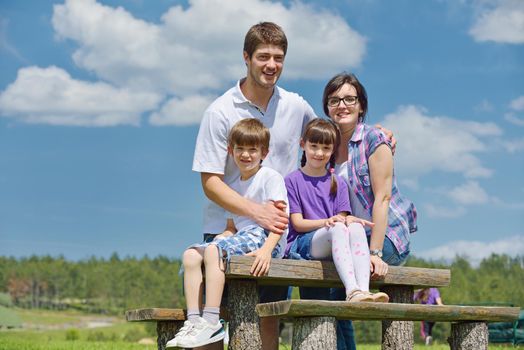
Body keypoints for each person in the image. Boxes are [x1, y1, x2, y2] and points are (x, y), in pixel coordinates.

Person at [189, 21, 395, 350]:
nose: (271, 65)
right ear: (246, 57)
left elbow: (327, 136)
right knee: (221, 319)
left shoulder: (295, 106)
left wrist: (375, 134)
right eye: (263, 56)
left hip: (278, 236)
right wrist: (257, 211)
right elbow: (210, 182)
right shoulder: (220, 112)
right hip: (227, 229)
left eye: (278, 57)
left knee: (267, 320)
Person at [167, 119, 288, 348]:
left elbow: (281, 222)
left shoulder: (270, 177)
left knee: (214, 251)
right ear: (231, 151)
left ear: (264, 152)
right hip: (243, 237)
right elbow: (232, 227)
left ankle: (212, 321)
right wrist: (223, 236)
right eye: (240, 149)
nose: (246, 155)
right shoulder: (232, 185)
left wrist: (266, 251)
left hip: (266, 238)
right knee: (191, 255)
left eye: (253, 149)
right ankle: (194, 321)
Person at [323, 72, 418, 349]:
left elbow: (383, 198)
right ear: (327, 107)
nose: (342, 105)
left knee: (332, 287)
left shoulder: (374, 139)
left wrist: (375, 252)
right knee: (324, 282)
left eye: (349, 99)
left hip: (386, 237)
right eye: (334, 100)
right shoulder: (325, 146)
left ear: (361, 105)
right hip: (350, 234)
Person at [285, 118, 390, 303]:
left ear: (333, 150)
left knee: (355, 226)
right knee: (339, 228)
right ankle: (352, 291)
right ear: (303, 145)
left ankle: (363, 291)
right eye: (314, 146)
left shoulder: (338, 183)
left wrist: (349, 220)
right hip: (303, 244)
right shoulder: (292, 180)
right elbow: (298, 223)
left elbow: (341, 218)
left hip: (332, 239)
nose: (319, 153)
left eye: (326, 148)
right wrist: (327, 222)